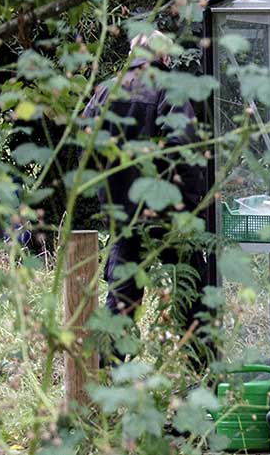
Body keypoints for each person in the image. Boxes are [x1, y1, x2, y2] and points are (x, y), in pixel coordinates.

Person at [83, 31, 215, 371]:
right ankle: (202, 373)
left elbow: (87, 149)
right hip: (165, 214)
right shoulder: (169, 89)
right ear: (164, 57)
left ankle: (108, 378)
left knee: (122, 299)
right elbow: (183, 148)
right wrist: (189, 203)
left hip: (124, 216)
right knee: (191, 291)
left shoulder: (104, 91)